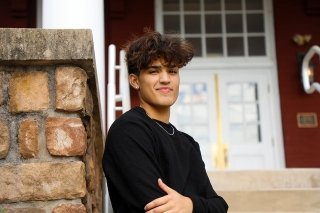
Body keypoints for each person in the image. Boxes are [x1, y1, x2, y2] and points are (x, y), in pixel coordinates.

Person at [103, 30, 228, 213]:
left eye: (172, 71)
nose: (165, 79)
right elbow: (156, 206)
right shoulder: (128, 131)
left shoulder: (188, 143)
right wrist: (198, 205)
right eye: (154, 71)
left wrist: (189, 205)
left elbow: (219, 206)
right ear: (135, 81)